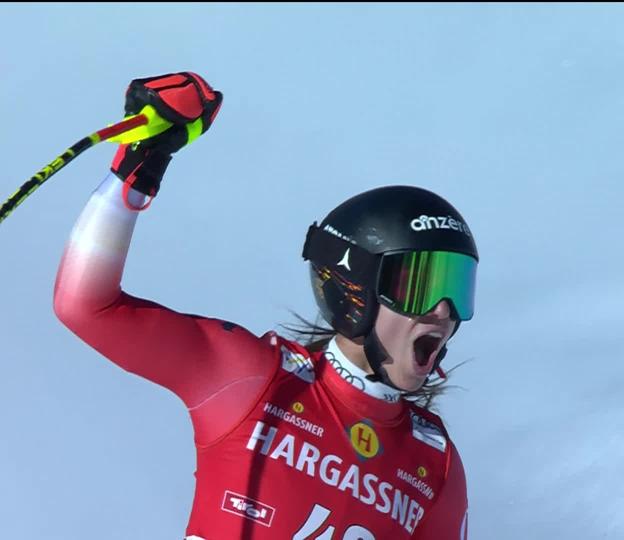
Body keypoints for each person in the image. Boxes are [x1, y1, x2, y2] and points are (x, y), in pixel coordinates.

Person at [53, 72, 475, 539]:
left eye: (458, 288)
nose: (443, 311)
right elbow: (87, 306)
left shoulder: (436, 463)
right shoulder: (253, 378)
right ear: (354, 289)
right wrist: (139, 168)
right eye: (419, 287)